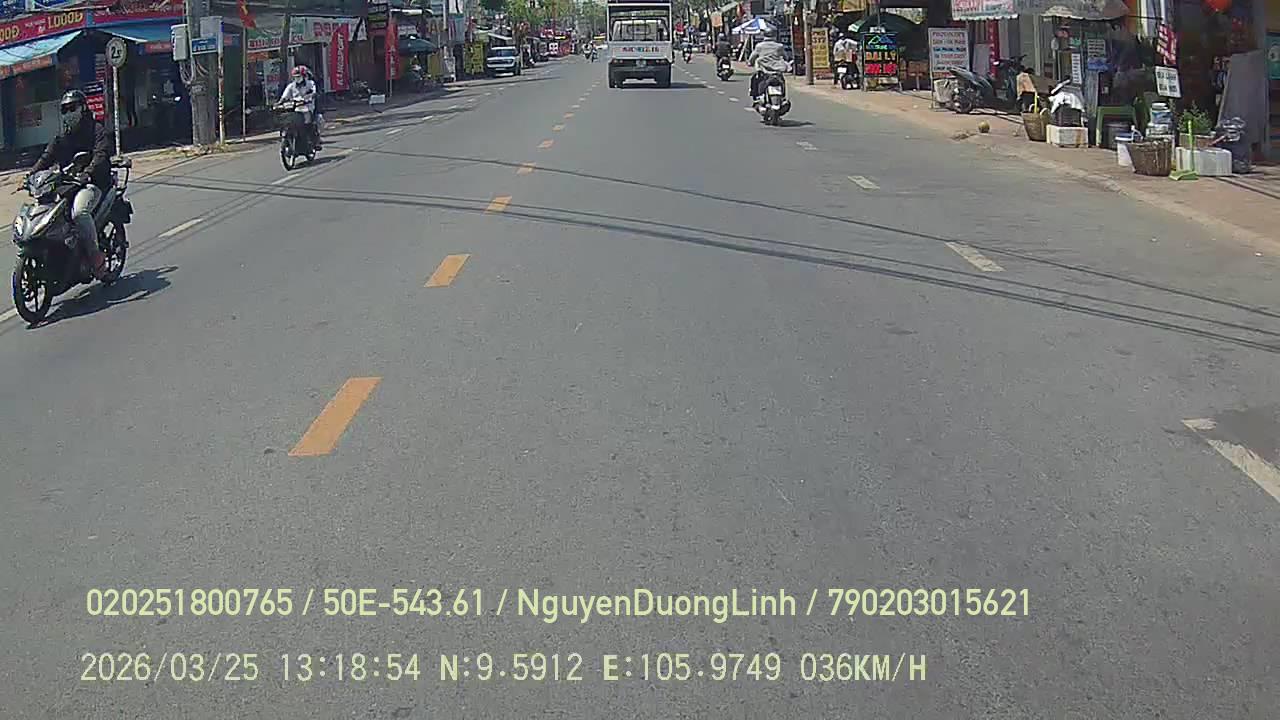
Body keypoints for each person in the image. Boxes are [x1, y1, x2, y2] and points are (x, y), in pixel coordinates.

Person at [26, 89, 111, 280]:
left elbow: (101, 154)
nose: (69, 113)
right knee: (49, 213)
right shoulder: (64, 136)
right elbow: (47, 156)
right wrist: (31, 174)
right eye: (64, 110)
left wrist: (87, 173)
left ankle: (95, 257)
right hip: (68, 185)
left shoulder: (96, 130)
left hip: (93, 183)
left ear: (83, 108)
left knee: (79, 213)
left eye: (73, 108)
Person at [277, 65, 321, 150]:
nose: (297, 78)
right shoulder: (291, 86)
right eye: (295, 77)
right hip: (295, 109)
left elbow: (314, 93)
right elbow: (284, 96)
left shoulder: (310, 83)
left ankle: (314, 141)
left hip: (307, 107)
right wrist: (279, 103)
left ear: (304, 76)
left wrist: (309, 97)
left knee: (308, 124)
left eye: (299, 76)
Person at [747, 30, 790, 101]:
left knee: (754, 79)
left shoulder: (759, 46)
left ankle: (756, 95)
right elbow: (786, 57)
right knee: (782, 81)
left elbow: (752, 57)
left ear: (764, 36)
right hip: (777, 70)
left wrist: (750, 63)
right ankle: (783, 97)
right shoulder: (779, 46)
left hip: (764, 70)